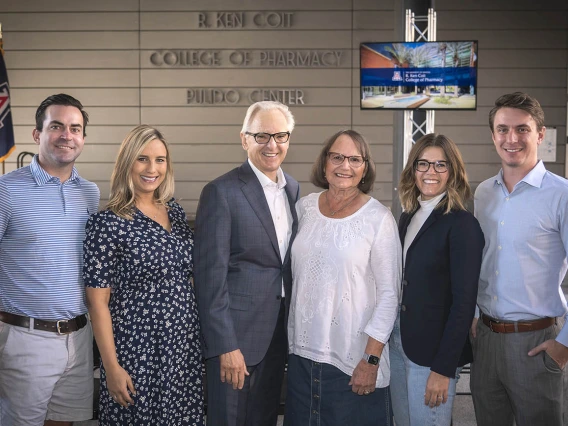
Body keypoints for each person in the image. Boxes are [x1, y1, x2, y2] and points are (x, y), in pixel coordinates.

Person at [83, 125, 204, 425]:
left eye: (160, 160)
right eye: (143, 159)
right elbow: (97, 304)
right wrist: (111, 368)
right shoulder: (107, 224)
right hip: (137, 352)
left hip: (183, 350)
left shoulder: (174, 212)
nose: (153, 168)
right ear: (127, 163)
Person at [284, 130, 401, 426]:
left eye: (354, 159)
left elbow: (389, 296)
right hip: (301, 357)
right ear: (325, 163)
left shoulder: (379, 219)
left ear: (365, 168)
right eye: (337, 157)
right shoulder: (305, 208)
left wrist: (371, 359)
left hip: (352, 361)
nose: (344, 166)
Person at [194, 101, 299, 426]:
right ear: (244, 139)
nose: (272, 145)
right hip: (235, 342)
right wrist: (225, 346)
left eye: (280, 135)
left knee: (265, 419)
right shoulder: (221, 192)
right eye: (262, 136)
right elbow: (210, 280)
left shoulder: (293, 190)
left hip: (277, 338)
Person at [0, 94, 99, 425]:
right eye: (56, 126)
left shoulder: (90, 193)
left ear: (83, 137)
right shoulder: (7, 191)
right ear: (36, 134)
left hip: (80, 337)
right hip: (24, 339)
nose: (66, 135)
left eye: (75, 128)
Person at [471, 92, 568, 426]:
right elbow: (478, 263)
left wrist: (564, 344)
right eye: (502, 129)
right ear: (493, 135)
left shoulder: (562, 195)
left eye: (522, 129)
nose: (511, 138)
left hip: (538, 344)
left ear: (540, 134)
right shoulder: (482, 193)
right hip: (485, 340)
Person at [389, 133, 484, 426]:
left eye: (440, 165)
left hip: (432, 356)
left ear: (452, 172)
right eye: (423, 164)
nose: (431, 172)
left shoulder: (462, 224)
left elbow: (464, 303)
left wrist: (443, 369)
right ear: (412, 169)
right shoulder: (409, 215)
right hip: (399, 342)